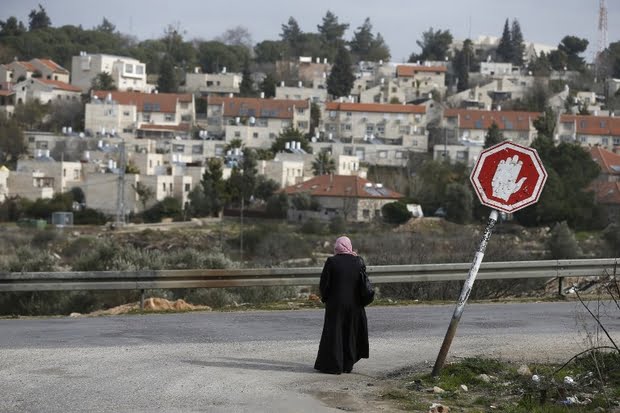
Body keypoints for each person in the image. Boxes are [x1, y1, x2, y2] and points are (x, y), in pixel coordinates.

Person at [314, 236, 369, 374]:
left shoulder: (332, 261)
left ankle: (334, 365)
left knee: (335, 334)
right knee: (350, 333)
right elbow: (362, 283)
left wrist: (325, 298)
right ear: (349, 246)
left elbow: (324, 284)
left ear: (337, 247)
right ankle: (348, 364)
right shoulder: (358, 261)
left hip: (336, 304)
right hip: (355, 304)